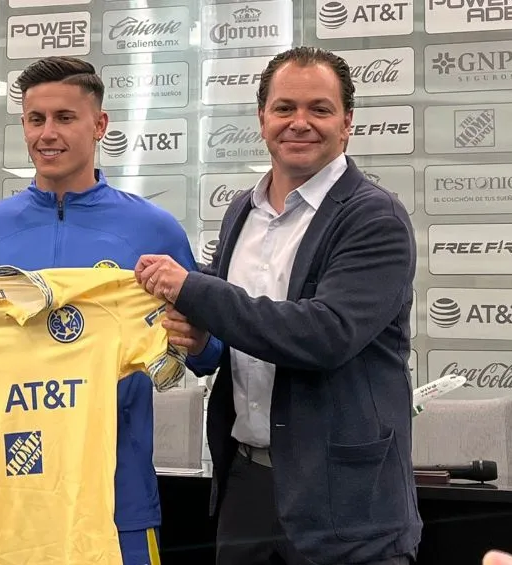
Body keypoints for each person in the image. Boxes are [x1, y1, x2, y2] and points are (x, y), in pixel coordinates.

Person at [134, 46, 421, 564]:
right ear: (262, 117)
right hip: (246, 487)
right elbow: (239, 332)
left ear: (347, 123)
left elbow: (324, 334)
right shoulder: (241, 211)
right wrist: (199, 337)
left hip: (346, 506)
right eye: (285, 107)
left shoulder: (375, 218)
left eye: (320, 109)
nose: (300, 122)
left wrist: (193, 290)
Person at [0, 55, 195, 564]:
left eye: (65, 118)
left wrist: (197, 335)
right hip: (8, 497)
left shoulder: (154, 229)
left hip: (118, 496)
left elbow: (208, 353)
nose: (48, 133)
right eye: (36, 119)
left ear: (99, 125)